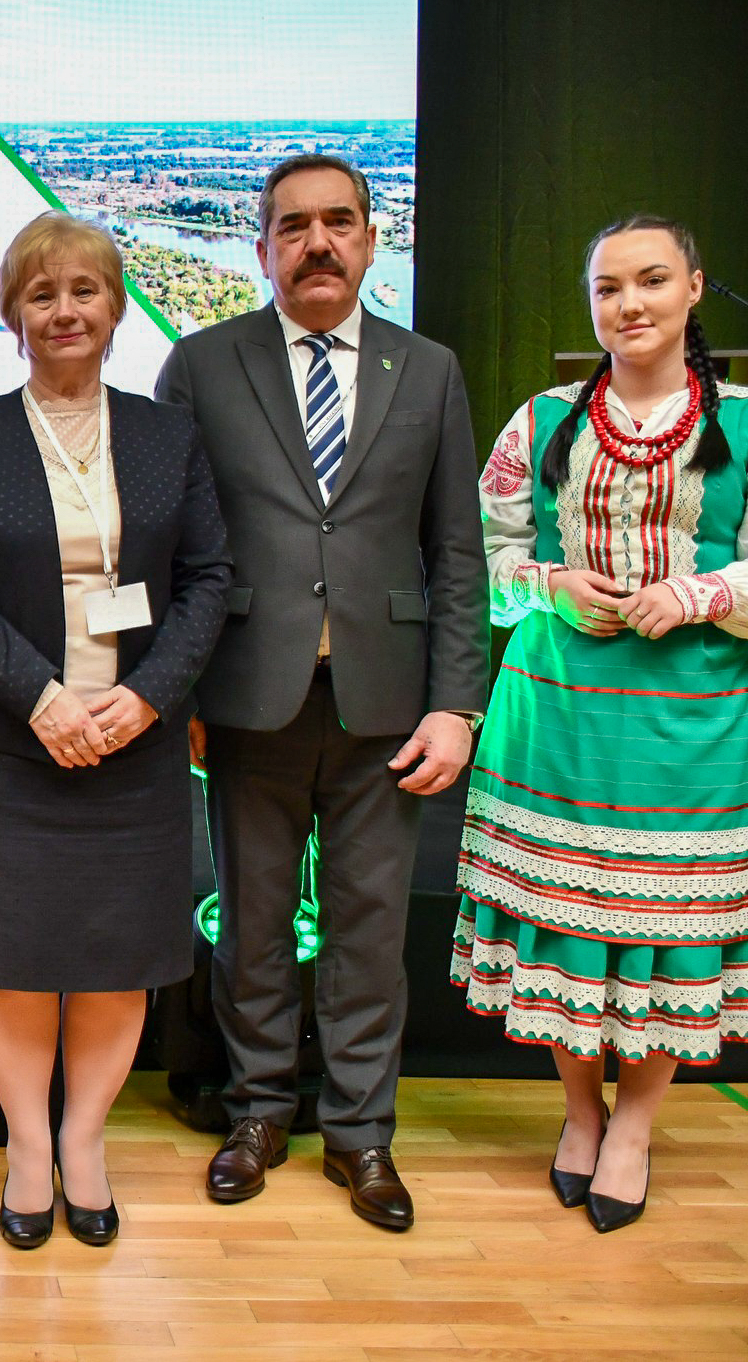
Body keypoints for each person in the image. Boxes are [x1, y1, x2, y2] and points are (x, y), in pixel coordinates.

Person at [155, 153, 488, 1232]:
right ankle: (257, 1113)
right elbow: (171, 548)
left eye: (337, 222)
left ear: (370, 239)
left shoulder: (428, 369)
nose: (317, 243)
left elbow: (457, 551)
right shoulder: (201, 365)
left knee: (368, 930)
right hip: (245, 693)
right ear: (261, 248)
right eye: (292, 226)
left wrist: (457, 705)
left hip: (387, 704)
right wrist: (175, 691)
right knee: (250, 923)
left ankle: (360, 1133)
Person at [0, 212, 229, 1249]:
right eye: (41, 293)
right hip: (11, 744)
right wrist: (41, 698)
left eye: (84, 290)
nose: (64, 311)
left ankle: (83, 1141)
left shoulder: (167, 435)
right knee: (12, 958)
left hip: (133, 744)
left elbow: (208, 579)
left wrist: (148, 698)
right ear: (12, 313)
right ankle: (25, 1148)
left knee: (115, 957)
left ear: (115, 305)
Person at [456, 215, 747, 1233]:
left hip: (693, 722)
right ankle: (580, 1112)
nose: (629, 304)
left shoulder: (743, 423)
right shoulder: (540, 422)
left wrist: (701, 593)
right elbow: (479, 560)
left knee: (665, 926)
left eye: (651, 281)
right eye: (608, 288)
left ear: (694, 289)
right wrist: (548, 584)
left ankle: (634, 1126)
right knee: (563, 917)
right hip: (555, 712)